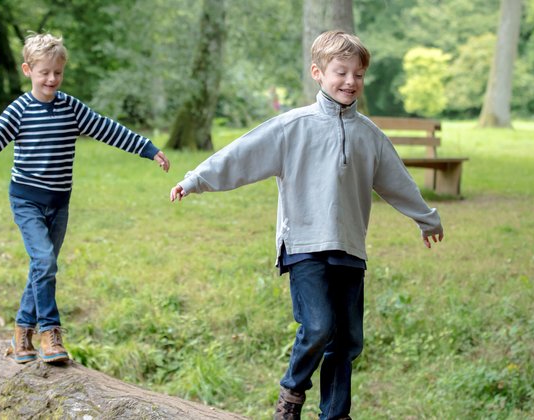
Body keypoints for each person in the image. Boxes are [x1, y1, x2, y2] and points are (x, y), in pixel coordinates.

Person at [169, 31, 443, 419]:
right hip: (304, 244)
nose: (350, 82)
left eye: (358, 74)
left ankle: (335, 414)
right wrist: (195, 179)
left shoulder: (370, 136)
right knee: (317, 327)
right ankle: (291, 394)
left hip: (349, 247)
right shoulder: (292, 127)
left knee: (346, 340)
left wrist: (426, 218)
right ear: (318, 72)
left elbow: (397, 181)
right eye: (340, 72)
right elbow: (242, 155)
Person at [0, 32, 170, 364]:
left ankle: (22, 332)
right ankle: (50, 332)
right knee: (45, 262)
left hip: (59, 203)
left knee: (43, 266)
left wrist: (148, 149)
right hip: (26, 201)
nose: (52, 79)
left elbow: (108, 129)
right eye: (44, 72)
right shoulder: (19, 110)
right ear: (28, 70)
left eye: (58, 73)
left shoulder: (71, 108)